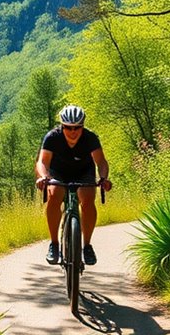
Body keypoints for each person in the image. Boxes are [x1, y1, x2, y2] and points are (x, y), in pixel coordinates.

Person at [34, 104, 111, 266]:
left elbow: (101, 162)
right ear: (62, 126)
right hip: (58, 173)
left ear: (82, 126)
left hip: (84, 172)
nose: (73, 131)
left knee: (88, 199)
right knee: (54, 194)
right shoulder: (52, 137)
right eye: (68, 128)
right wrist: (43, 177)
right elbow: (42, 162)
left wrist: (103, 178)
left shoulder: (90, 138)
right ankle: (54, 244)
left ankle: (87, 246)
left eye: (77, 127)